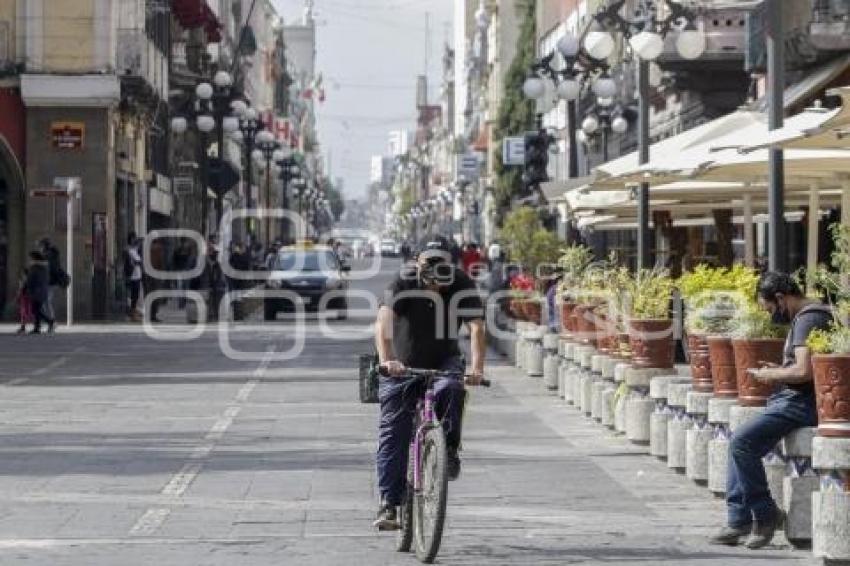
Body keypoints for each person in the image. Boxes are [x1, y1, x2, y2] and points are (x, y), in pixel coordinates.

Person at [710, 271, 832, 549]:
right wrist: (777, 371)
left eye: (769, 308)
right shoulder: (815, 315)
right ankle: (738, 518)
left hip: (800, 402)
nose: (770, 316)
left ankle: (765, 515)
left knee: (742, 442)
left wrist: (771, 375)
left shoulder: (808, 319)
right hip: (794, 399)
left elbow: (803, 370)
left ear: (781, 298)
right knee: (738, 441)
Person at [372, 235, 487, 530]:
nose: (435, 268)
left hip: (443, 360)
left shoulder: (461, 283)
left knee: (451, 387)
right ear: (417, 261)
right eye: (429, 261)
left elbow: (476, 328)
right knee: (394, 431)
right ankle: (389, 503)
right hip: (401, 364)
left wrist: (477, 368)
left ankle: (447, 448)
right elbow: (383, 322)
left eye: (442, 262)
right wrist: (387, 361)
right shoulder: (404, 280)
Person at [25, 251, 54, 334]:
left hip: (36, 291)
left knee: (35, 310)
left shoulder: (35, 267)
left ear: (34, 258)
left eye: (30, 257)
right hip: (41, 291)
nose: (29, 259)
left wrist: (27, 287)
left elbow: (31, 279)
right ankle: (37, 327)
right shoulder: (44, 267)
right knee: (36, 310)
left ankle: (49, 321)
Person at [38, 237, 61, 329]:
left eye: (41, 246)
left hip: (49, 282)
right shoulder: (51, 254)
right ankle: (51, 322)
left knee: (46, 302)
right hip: (50, 282)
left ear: (44, 246)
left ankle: (52, 322)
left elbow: (49, 269)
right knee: (45, 302)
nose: (40, 248)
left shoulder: (48, 255)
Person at [123, 233, 143, 322]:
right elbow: (137, 261)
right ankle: (132, 313)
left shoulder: (134, 250)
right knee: (133, 296)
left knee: (136, 295)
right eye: (134, 239)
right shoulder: (129, 250)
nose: (135, 241)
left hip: (137, 275)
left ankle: (134, 311)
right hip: (132, 276)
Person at [15, 268, 34, 335]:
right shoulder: (29, 280)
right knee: (25, 313)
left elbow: (21, 289)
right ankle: (23, 327)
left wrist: (18, 296)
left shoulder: (25, 281)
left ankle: (23, 327)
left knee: (24, 313)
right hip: (26, 298)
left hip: (25, 298)